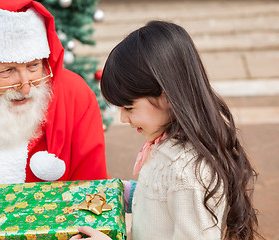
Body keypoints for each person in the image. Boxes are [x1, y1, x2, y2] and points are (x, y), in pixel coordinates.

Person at [70, 21, 261, 240]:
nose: (123, 118)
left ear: (166, 96)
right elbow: (162, 205)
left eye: (129, 107)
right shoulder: (168, 147)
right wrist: (128, 193)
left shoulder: (187, 174)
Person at [0, 0, 108, 238]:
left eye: (34, 65)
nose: (26, 87)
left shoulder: (74, 95)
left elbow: (93, 195)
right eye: (7, 71)